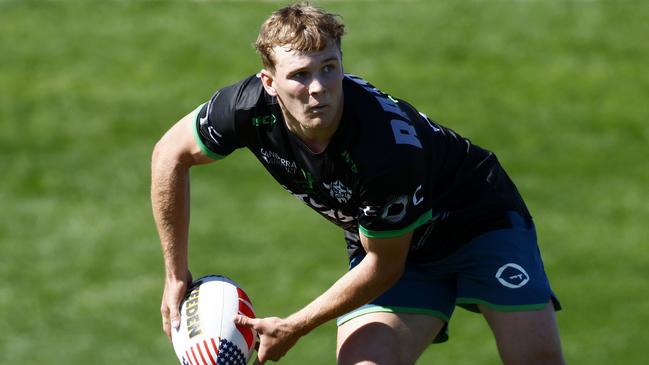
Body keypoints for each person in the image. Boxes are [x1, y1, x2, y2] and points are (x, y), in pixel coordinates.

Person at [151, 2, 565, 364]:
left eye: (329, 69)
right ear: (269, 82)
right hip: (386, 241)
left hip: (479, 224)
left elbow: (386, 265)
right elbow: (170, 154)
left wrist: (296, 325)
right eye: (300, 75)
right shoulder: (245, 108)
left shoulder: (384, 150)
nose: (318, 89)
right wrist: (175, 275)